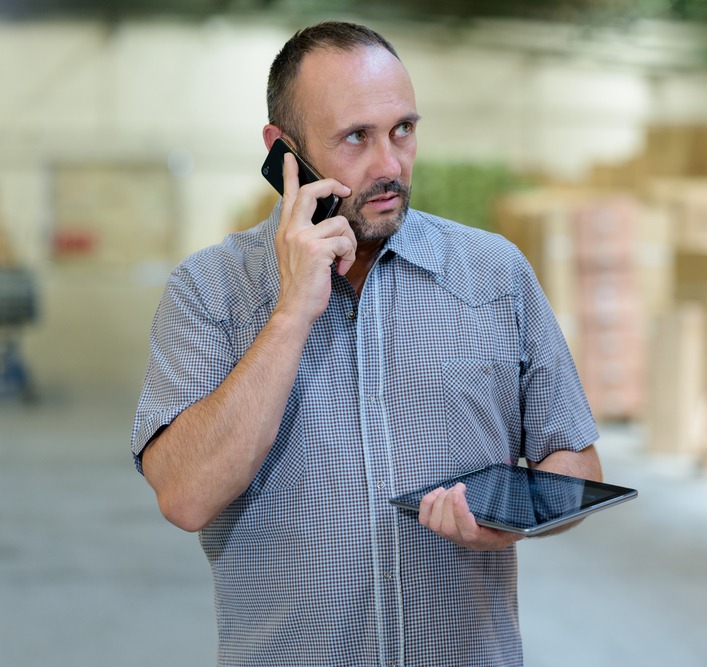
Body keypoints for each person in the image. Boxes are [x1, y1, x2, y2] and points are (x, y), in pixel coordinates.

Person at [131, 20, 601, 667]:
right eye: (356, 137)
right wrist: (293, 310)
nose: (389, 166)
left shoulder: (495, 275)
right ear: (282, 151)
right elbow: (184, 494)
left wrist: (513, 516)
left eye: (402, 130)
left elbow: (575, 463)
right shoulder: (208, 291)